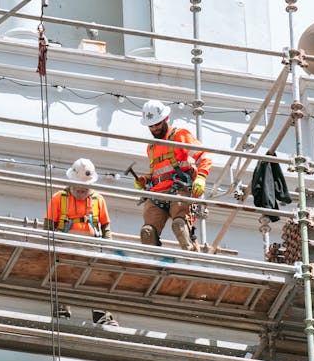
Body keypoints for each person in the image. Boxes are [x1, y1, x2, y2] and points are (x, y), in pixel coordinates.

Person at [44, 157, 118, 327]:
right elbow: (48, 226)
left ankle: (102, 316)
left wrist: (108, 249)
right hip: (65, 248)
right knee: (62, 278)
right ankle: (62, 312)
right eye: (78, 187)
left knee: (96, 280)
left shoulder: (98, 200)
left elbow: (106, 227)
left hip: (91, 249)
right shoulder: (58, 199)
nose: (81, 191)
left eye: (85, 188)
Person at [133, 100, 212, 251]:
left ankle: (190, 256)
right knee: (147, 233)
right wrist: (146, 180)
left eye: (157, 123)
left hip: (178, 189)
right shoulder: (151, 147)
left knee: (179, 226)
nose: (155, 128)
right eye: (151, 125)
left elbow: (204, 156)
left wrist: (201, 177)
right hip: (157, 194)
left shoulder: (179, 136)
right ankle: (154, 265)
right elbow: (159, 171)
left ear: (166, 119)